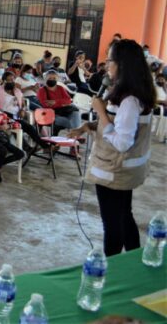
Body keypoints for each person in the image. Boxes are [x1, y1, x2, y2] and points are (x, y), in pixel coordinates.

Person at [68, 39, 156, 257]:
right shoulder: (133, 94)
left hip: (114, 171)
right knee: (125, 215)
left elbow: (122, 142)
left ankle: (111, 271)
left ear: (123, 65)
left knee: (113, 224)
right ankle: (134, 260)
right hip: (123, 170)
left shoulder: (129, 101)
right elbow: (119, 125)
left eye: (110, 60)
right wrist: (87, 126)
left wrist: (99, 111)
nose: (107, 65)